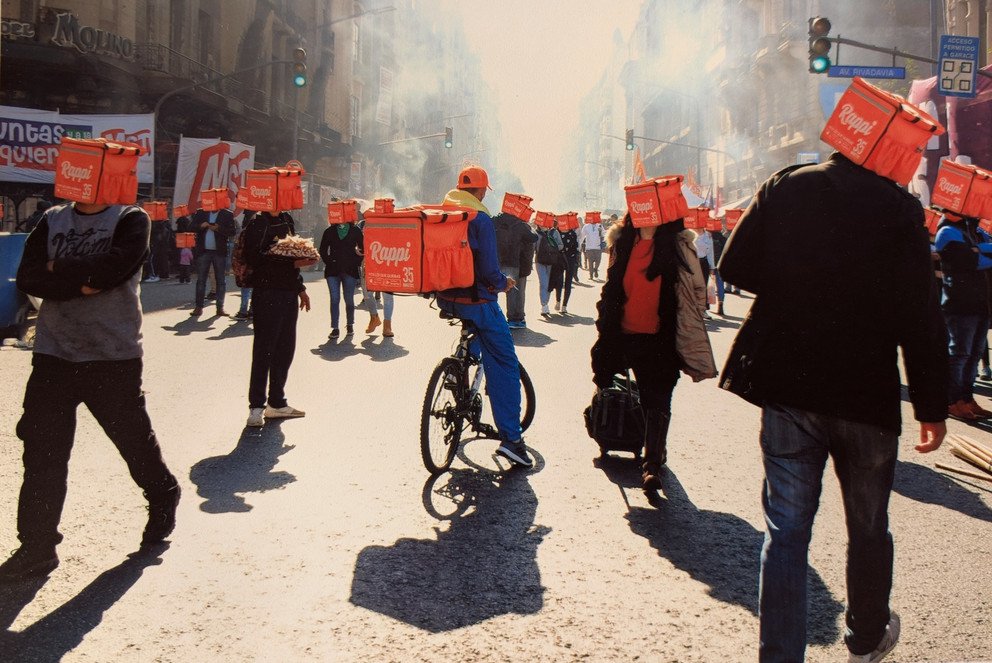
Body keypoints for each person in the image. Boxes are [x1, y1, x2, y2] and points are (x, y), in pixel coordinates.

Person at [718, 142, 949, 658]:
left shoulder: (787, 183)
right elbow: (921, 314)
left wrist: (794, 284)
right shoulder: (899, 208)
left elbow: (735, 264)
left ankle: (781, 655)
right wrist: (931, 407)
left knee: (786, 532)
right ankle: (866, 639)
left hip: (790, 388)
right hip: (866, 394)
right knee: (868, 527)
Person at [3, 196, 181, 580]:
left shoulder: (131, 219)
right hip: (53, 354)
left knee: (132, 441)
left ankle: (163, 492)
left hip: (112, 355)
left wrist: (58, 269)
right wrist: (81, 282)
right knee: (42, 454)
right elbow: (29, 278)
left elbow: (109, 272)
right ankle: (37, 547)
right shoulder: (52, 219)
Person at [591, 212, 716, 490]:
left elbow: (697, 287)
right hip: (623, 335)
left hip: (660, 338)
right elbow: (610, 287)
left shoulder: (678, 244)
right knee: (624, 388)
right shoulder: (622, 241)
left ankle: (652, 464)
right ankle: (638, 441)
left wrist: (690, 318)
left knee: (658, 397)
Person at [436, 166, 532, 467]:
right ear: (479, 191)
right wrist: (504, 283)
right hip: (477, 301)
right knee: (504, 362)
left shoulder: (442, 215)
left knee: (477, 331)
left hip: (446, 298)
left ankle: (458, 364)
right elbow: (490, 271)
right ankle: (512, 441)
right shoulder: (480, 219)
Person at [240, 210, 316, 427]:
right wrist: (290, 263)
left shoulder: (286, 219)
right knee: (263, 350)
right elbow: (253, 258)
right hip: (266, 292)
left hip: (288, 292)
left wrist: (300, 288)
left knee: (285, 349)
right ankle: (256, 407)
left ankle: (277, 402)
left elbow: (292, 255)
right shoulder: (257, 222)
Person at [934, 212, 992, 420]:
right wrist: (981, 252)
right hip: (960, 305)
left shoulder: (976, 231)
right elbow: (969, 261)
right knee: (960, 354)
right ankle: (953, 401)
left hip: (981, 304)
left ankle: (966, 399)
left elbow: (978, 256)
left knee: (973, 354)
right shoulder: (947, 231)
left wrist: (979, 249)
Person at [183, 203, 236, 317]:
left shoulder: (227, 214)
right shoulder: (201, 212)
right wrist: (201, 226)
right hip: (204, 251)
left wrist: (218, 228)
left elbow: (232, 232)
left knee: (220, 280)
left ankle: (220, 308)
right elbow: (190, 228)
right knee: (201, 280)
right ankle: (199, 307)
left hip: (219, 252)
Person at [319, 218, 363, 338]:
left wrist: (356, 261)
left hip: (350, 270)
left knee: (349, 299)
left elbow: (363, 248)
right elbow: (322, 250)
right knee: (334, 299)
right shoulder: (329, 231)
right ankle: (335, 328)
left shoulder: (355, 230)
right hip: (332, 271)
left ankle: (350, 324)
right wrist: (329, 262)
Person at [494, 206, 537, 328]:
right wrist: (531, 227)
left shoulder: (495, 221)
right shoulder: (519, 224)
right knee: (515, 291)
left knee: (493, 290)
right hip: (514, 262)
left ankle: (492, 318)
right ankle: (515, 319)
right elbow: (533, 238)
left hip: (497, 261)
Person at [534, 219, 564, 317]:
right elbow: (533, 247)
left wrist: (553, 247)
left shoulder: (554, 232)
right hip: (540, 261)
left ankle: (545, 303)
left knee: (549, 283)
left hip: (552, 262)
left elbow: (561, 245)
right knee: (544, 283)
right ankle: (544, 305)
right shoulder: (536, 233)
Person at [693, 223, 715, 319]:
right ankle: (692, 310)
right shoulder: (689, 233)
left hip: (703, 263)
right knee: (692, 286)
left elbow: (710, 252)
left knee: (703, 286)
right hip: (692, 262)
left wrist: (712, 267)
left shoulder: (708, 236)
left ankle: (703, 310)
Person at [710, 224, 727, 316]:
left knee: (708, 286)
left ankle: (705, 307)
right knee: (720, 285)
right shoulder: (723, 239)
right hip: (720, 265)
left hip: (710, 265)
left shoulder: (708, 237)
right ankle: (721, 305)